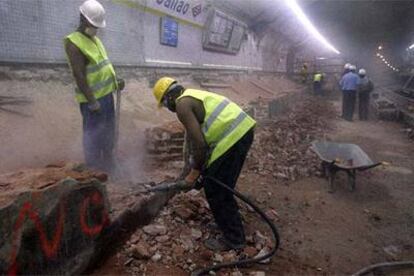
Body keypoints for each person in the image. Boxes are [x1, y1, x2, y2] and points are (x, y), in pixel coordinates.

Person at [152, 77, 256, 251]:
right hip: (240, 132)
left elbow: (200, 144)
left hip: (233, 137)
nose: (168, 109)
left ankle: (234, 239)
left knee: (216, 189)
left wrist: (195, 172)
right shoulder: (192, 95)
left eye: (164, 104)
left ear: (169, 98)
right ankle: (229, 223)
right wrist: (202, 173)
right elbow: (199, 144)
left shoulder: (181, 106)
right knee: (218, 182)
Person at [64, 0, 124, 172]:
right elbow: (79, 75)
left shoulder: (94, 39)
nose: (95, 28)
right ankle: (94, 170)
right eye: (93, 24)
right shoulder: (74, 43)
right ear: (82, 18)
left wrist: (115, 82)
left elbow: (102, 66)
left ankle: (108, 163)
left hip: (106, 96)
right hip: (93, 101)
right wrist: (91, 101)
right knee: (94, 135)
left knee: (108, 133)